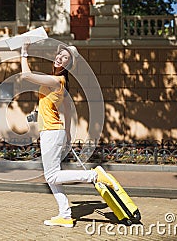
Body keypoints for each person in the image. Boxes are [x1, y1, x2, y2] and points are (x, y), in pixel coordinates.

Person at [19, 41, 118, 228]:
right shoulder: (60, 84)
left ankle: (94, 176)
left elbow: (26, 75)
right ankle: (65, 215)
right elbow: (67, 110)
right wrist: (68, 135)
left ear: (68, 64)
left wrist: (24, 52)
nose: (59, 58)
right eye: (59, 55)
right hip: (52, 131)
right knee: (51, 176)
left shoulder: (57, 80)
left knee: (52, 176)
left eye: (65, 58)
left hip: (51, 132)